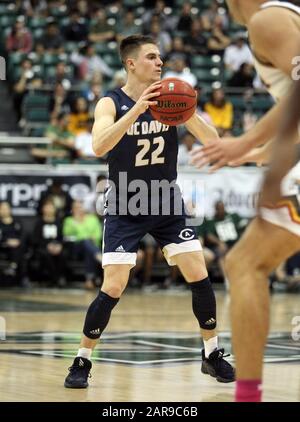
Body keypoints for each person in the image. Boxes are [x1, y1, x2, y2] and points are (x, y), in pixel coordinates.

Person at [64, 34, 234, 388]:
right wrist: (138, 110)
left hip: (165, 198)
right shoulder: (110, 102)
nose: (160, 62)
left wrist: (190, 112)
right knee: (113, 285)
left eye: (160, 58)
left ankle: (212, 353)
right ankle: (81, 360)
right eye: (152, 57)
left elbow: (212, 139)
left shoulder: (170, 97)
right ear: (131, 63)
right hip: (126, 200)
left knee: (199, 273)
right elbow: (98, 146)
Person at [190, 1, 300, 402]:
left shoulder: (266, 20)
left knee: (245, 263)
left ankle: (248, 396)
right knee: (246, 262)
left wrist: (247, 140)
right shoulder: (285, 19)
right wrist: (250, 155)